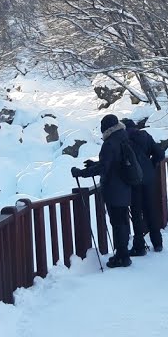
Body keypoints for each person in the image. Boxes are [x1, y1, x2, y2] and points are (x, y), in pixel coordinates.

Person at [72, 114, 137, 267]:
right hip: (125, 185)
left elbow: (105, 167)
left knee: (117, 222)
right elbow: (113, 162)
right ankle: (123, 254)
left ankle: (122, 256)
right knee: (122, 221)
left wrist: (81, 173)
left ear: (106, 128)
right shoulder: (123, 137)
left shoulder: (109, 143)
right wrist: (95, 163)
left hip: (114, 188)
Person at [122, 118, 165, 252]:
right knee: (150, 209)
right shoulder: (145, 136)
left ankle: (139, 244)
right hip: (148, 178)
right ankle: (157, 243)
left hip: (134, 179)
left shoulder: (123, 140)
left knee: (136, 212)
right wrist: (151, 164)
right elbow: (160, 153)